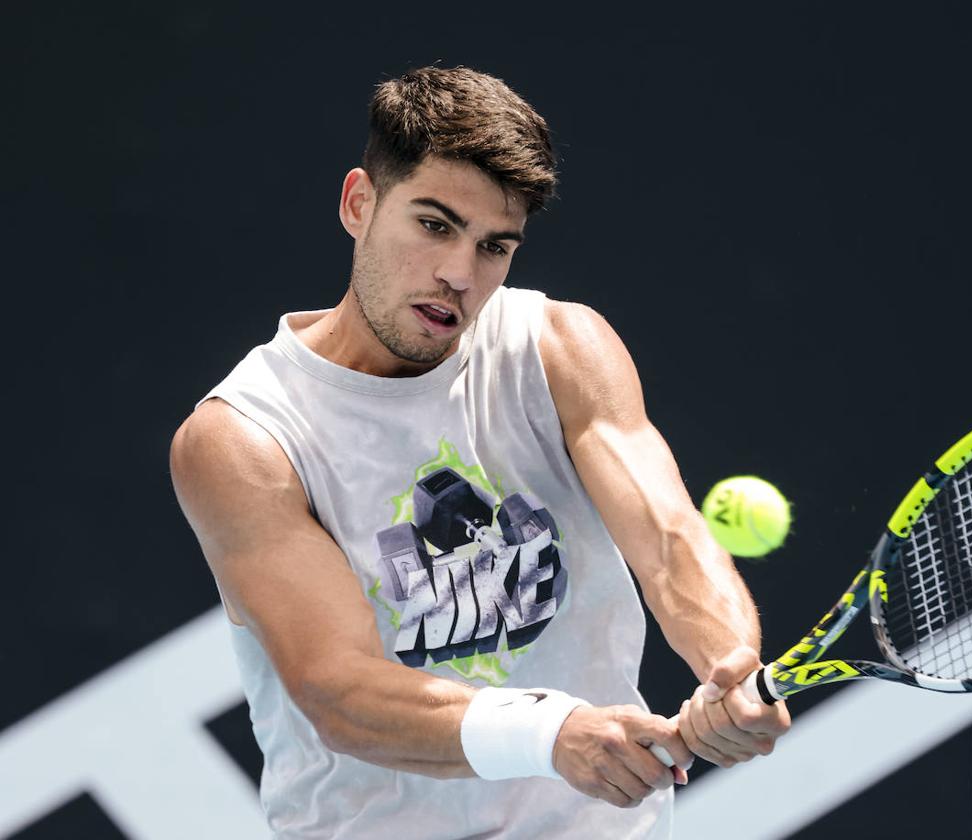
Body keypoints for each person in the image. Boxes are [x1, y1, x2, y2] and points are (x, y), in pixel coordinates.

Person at [169, 66, 789, 839]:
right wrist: (547, 733)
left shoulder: (561, 350)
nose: (459, 275)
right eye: (434, 224)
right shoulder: (244, 439)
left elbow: (668, 541)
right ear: (359, 203)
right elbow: (341, 692)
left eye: (494, 245)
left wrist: (729, 664)